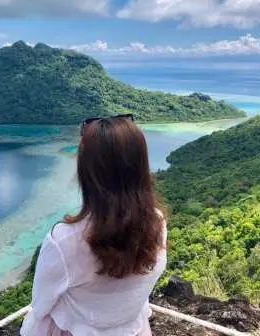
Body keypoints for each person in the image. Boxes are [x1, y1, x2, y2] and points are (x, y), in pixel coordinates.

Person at [20, 114, 167, 336]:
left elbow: (41, 305)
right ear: (140, 167)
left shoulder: (64, 241)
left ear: (87, 173)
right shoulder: (157, 224)